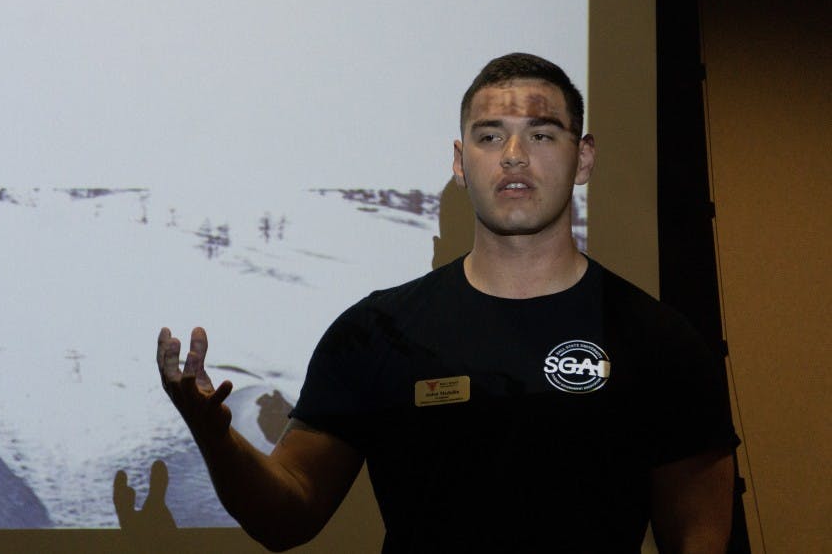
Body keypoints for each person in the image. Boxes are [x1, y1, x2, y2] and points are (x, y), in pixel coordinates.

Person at [154, 53, 739, 553]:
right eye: (489, 136)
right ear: (461, 163)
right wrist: (217, 439)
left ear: (582, 158)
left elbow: (699, 538)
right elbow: (286, 517)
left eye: (541, 133)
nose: (514, 154)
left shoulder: (661, 342)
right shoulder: (376, 332)